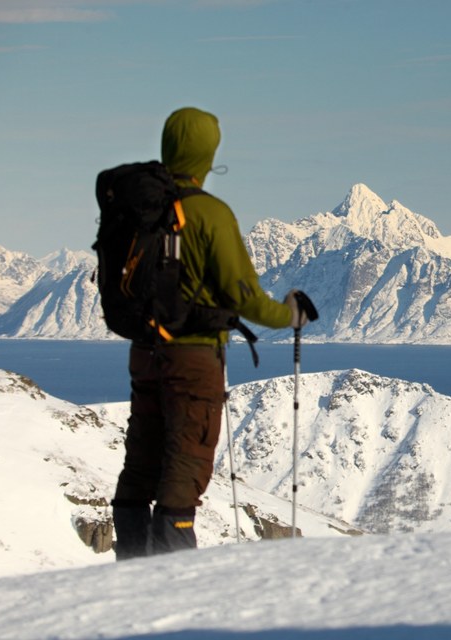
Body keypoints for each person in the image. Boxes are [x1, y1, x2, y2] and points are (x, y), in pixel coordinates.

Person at [110, 106, 309, 559]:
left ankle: (128, 570)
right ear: (207, 153)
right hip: (194, 360)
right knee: (185, 463)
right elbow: (244, 298)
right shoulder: (208, 214)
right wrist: (289, 316)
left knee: (141, 461)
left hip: (144, 351)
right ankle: (173, 576)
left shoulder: (137, 210)